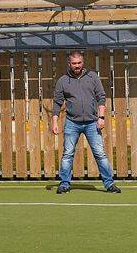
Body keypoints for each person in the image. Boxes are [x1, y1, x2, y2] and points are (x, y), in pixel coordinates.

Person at [50, 51, 120, 194]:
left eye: (79, 63)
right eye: (74, 63)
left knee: (100, 154)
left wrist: (101, 117)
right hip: (71, 123)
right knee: (67, 154)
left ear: (83, 63)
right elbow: (57, 103)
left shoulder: (92, 77)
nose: (77, 66)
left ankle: (109, 184)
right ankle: (64, 184)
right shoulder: (63, 81)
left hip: (92, 123)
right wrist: (55, 122)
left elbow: (101, 97)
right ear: (69, 64)